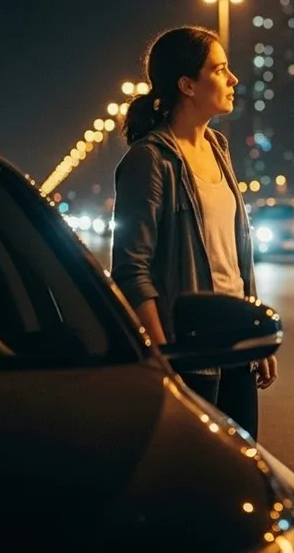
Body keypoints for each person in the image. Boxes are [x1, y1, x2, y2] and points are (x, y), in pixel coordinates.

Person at [110, 25, 277, 441]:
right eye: (220, 70)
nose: (233, 79)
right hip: (189, 357)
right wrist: (163, 360)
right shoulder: (150, 161)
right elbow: (132, 271)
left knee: (242, 475)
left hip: (236, 344)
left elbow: (235, 255)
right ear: (187, 84)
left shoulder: (218, 147)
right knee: (194, 479)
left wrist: (255, 332)